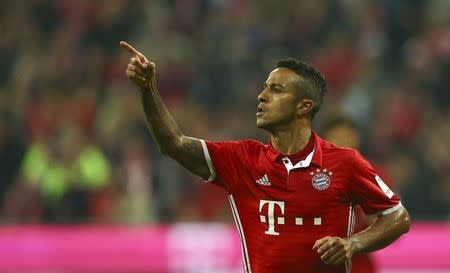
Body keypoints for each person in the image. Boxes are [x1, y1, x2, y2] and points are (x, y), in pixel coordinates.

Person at [120, 41, 410, 273]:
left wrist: (352, 244)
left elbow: (397, 218)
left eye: (276, 89)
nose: (261, 96)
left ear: (304, 106)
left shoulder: (344, 163)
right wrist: (149, 90)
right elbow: (174, 144)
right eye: (264, 87)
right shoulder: (242, 159)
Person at [321, 114, 394, 273]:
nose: (343, 141)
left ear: (357, 138)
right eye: (337, 136)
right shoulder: (313, 177)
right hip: (319, 264)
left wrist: (365, 234)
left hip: (360, 265)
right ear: (324, 140)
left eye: (348, 135)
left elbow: (394, 221)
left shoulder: (374, 175)